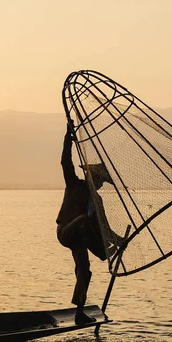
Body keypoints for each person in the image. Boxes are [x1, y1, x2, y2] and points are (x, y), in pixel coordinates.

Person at [56, 124, 115, 325]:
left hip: (82, 238)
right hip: (67, 231)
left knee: (84, 271)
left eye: (100, 182)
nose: (98, 184)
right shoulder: (74, 184)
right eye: (96, 179)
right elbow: (65, 162)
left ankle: (79, 312)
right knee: (82, 220)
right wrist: (68, 139)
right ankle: (103, 253)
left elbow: (106, 228)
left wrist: (120, 241)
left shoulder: (97, 200)